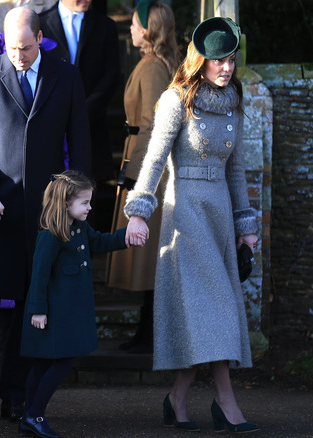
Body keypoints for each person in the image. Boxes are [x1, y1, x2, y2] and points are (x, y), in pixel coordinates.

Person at [0, 6, 91, 423]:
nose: (18, 56)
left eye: (26, 48)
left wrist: (75, 202)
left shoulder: (65, 76)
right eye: (12, 48)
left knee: (30, 305)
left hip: (44, 216)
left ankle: (14, 393)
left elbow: (80, 142)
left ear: (41, 38)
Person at [124, 16, 261, 433]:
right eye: (219, 61)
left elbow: (236, 169)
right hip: (185, 215)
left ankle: (178, 397)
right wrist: (138, 210)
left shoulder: (234, 100)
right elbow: (153, 158)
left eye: (232, 61)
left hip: (220, 214)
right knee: (216, 307)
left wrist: (246, 226)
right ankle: (225, 402)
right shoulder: (176, 99)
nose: (227, 68)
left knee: (203, 316)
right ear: (200, 60)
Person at [20, 171, 133, 438]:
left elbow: (101, 242)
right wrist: (38, 309)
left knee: (46, 363)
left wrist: (126, 235)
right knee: (58, 362)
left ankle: (29, 415)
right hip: (53, 313)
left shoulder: (80, 228)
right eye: (85, 203)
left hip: (71, 311)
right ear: (66, 203)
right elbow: (39, 275)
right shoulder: (50, 235)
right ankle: (34, 414)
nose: (90, 207)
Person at [106, 0, 180, 355]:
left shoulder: (152, 68)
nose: (131, 29)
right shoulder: (152, 64)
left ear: (149, 29)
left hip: (146, 168)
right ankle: (147, 330)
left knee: (148, 256)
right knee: (148, 256)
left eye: (136, 24)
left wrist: (138, 179)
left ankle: (150, 333)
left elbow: (152, 126)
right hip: (140, 159)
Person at [39, 0, 119, 182]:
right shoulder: (39, 24)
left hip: (92, 127)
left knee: (88, 200)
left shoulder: (105, 26)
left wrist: (83, 112)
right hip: (50, 130)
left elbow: (111, 76)